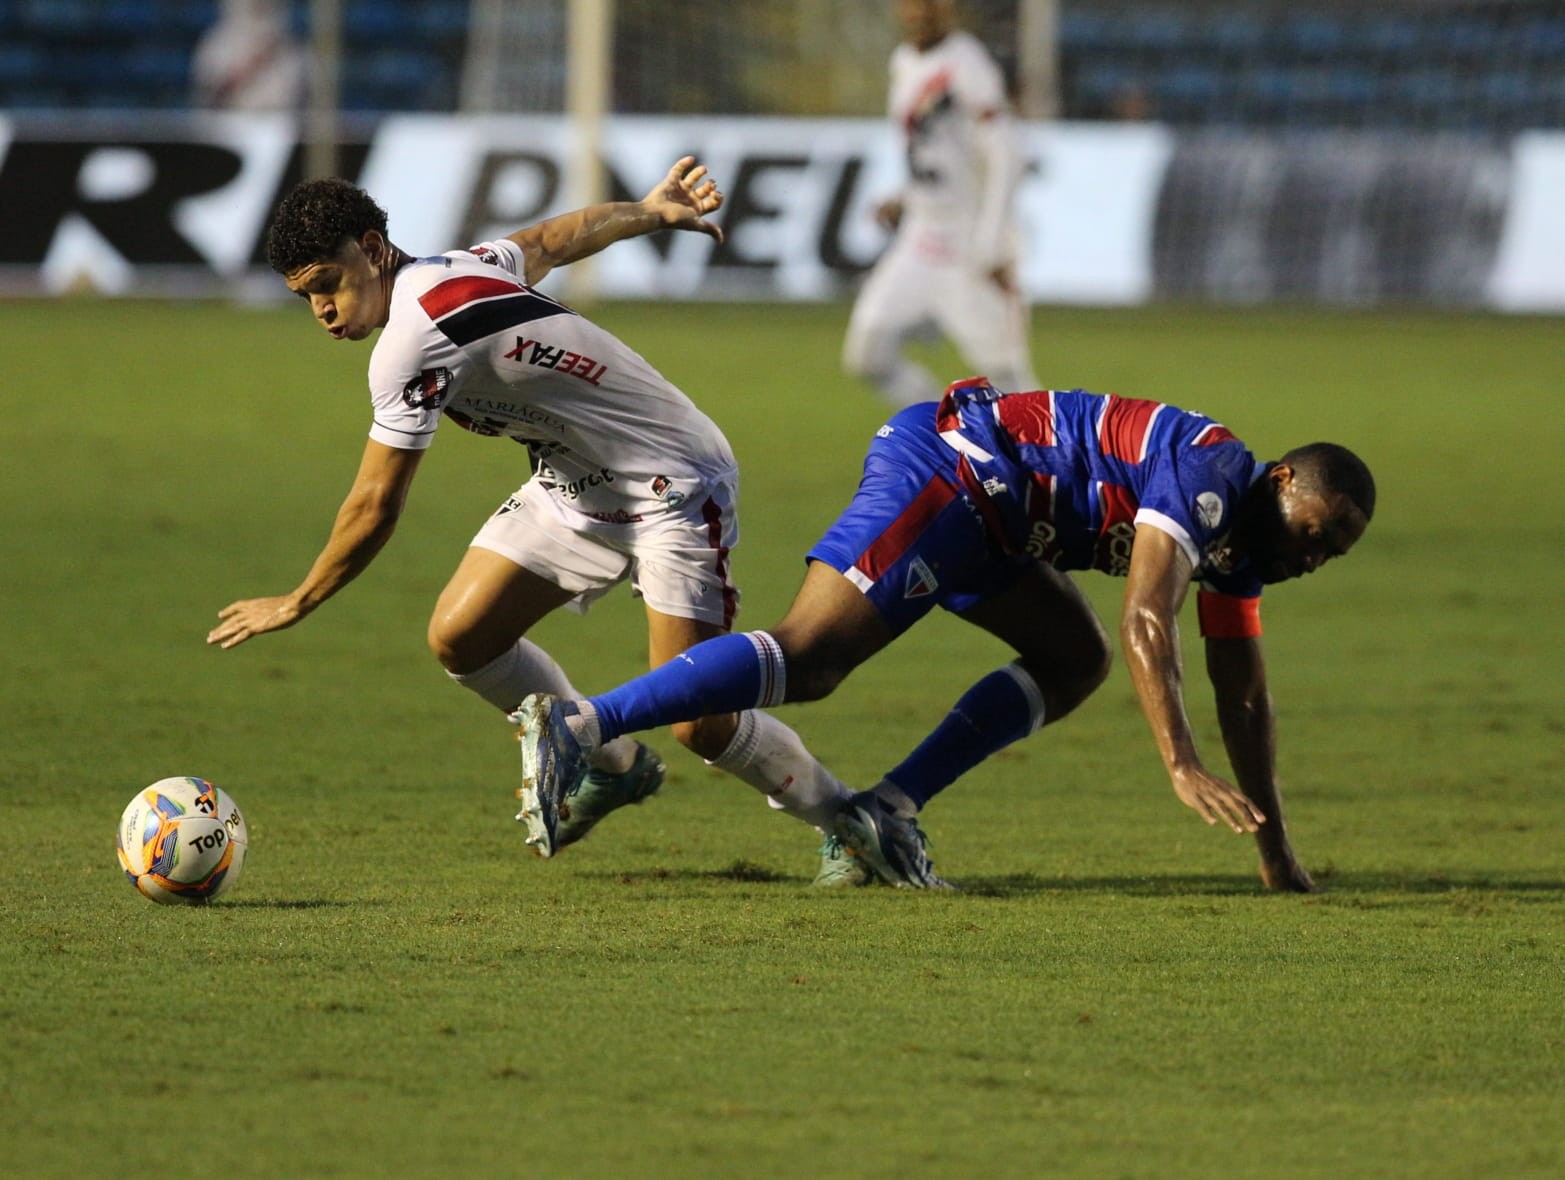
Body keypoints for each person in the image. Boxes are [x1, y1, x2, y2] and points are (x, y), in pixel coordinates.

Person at [208, 158, 855, 854]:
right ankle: (614, 768)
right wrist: (651, 210)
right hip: (574, 484)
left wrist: (299, 599)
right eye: (305, 297)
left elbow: (374, 503)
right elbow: (552, 239)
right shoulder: (457, 267)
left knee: (700, 722)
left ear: (370, 250)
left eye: (327, 285)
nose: (322, 311)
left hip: (671, 485)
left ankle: (852, 822)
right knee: (463, 637)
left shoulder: (411, 340)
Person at [517, 377, 1376, 891]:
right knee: (812, 656)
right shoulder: (1212, 475)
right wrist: (1181, 764)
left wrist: (1272, 846)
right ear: (1283, 478)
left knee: (1072, 659)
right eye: (1316, 528)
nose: (1315, 554)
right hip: (952, 469)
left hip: (997, 524)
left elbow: (1245, 689)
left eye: (1333, 551)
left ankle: (879, 816)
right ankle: (582, 724)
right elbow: (1148, 613)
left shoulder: (1247, 548)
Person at [842, 0, 1037, 409]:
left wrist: (992, 241)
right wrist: (907, 196)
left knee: (1009, 383)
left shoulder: (968, 65)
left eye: (931, 4)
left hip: (969, 239)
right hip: (920, 237)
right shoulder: (904, 61)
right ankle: (946, 434)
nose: (921, 12)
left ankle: (1050, 467)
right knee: (867, 356)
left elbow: (1007, 156)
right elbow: (938, 152)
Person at [192, 0, 309, 112]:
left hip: (278, 121)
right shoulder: (217, 43)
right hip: (232, 122)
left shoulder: (291, 49)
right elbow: (207, 99)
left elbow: (296, 96)